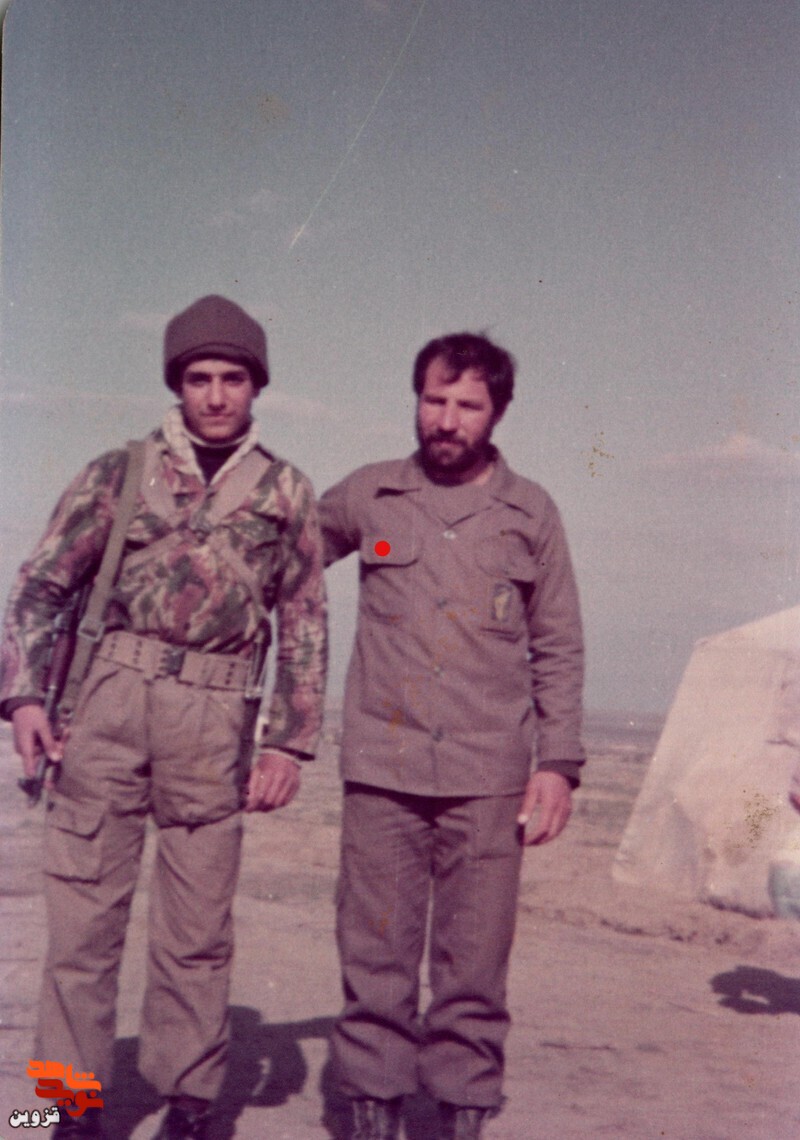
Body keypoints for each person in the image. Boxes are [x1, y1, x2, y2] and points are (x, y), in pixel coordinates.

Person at [0, 295, 327, 1140]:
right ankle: (62, 1110)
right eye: (199, 377)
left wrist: (289, 743)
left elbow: (304, 618)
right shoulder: (120, 472)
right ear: (177, 384)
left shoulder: (286, 491)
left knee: (196, 933)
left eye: (232, 379)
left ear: (256, 386)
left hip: (214, 720)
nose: (215, 395)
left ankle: (188, 1105)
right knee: (82, 930)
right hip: (108, 704)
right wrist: (25, 698)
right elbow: (41, 584)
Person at [319, 332, 585, 1140]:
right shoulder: (369, 495)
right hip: (383, 769)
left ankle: (462, 1112)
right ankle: (373, 1109)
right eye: (434, 400)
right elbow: (275, 563)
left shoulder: (530, 513)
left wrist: (558, 764)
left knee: (473, 965)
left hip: (487, 777)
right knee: (375, 957)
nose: (446, 419)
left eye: (468, 405)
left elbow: (558, 645)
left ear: (497, 413)